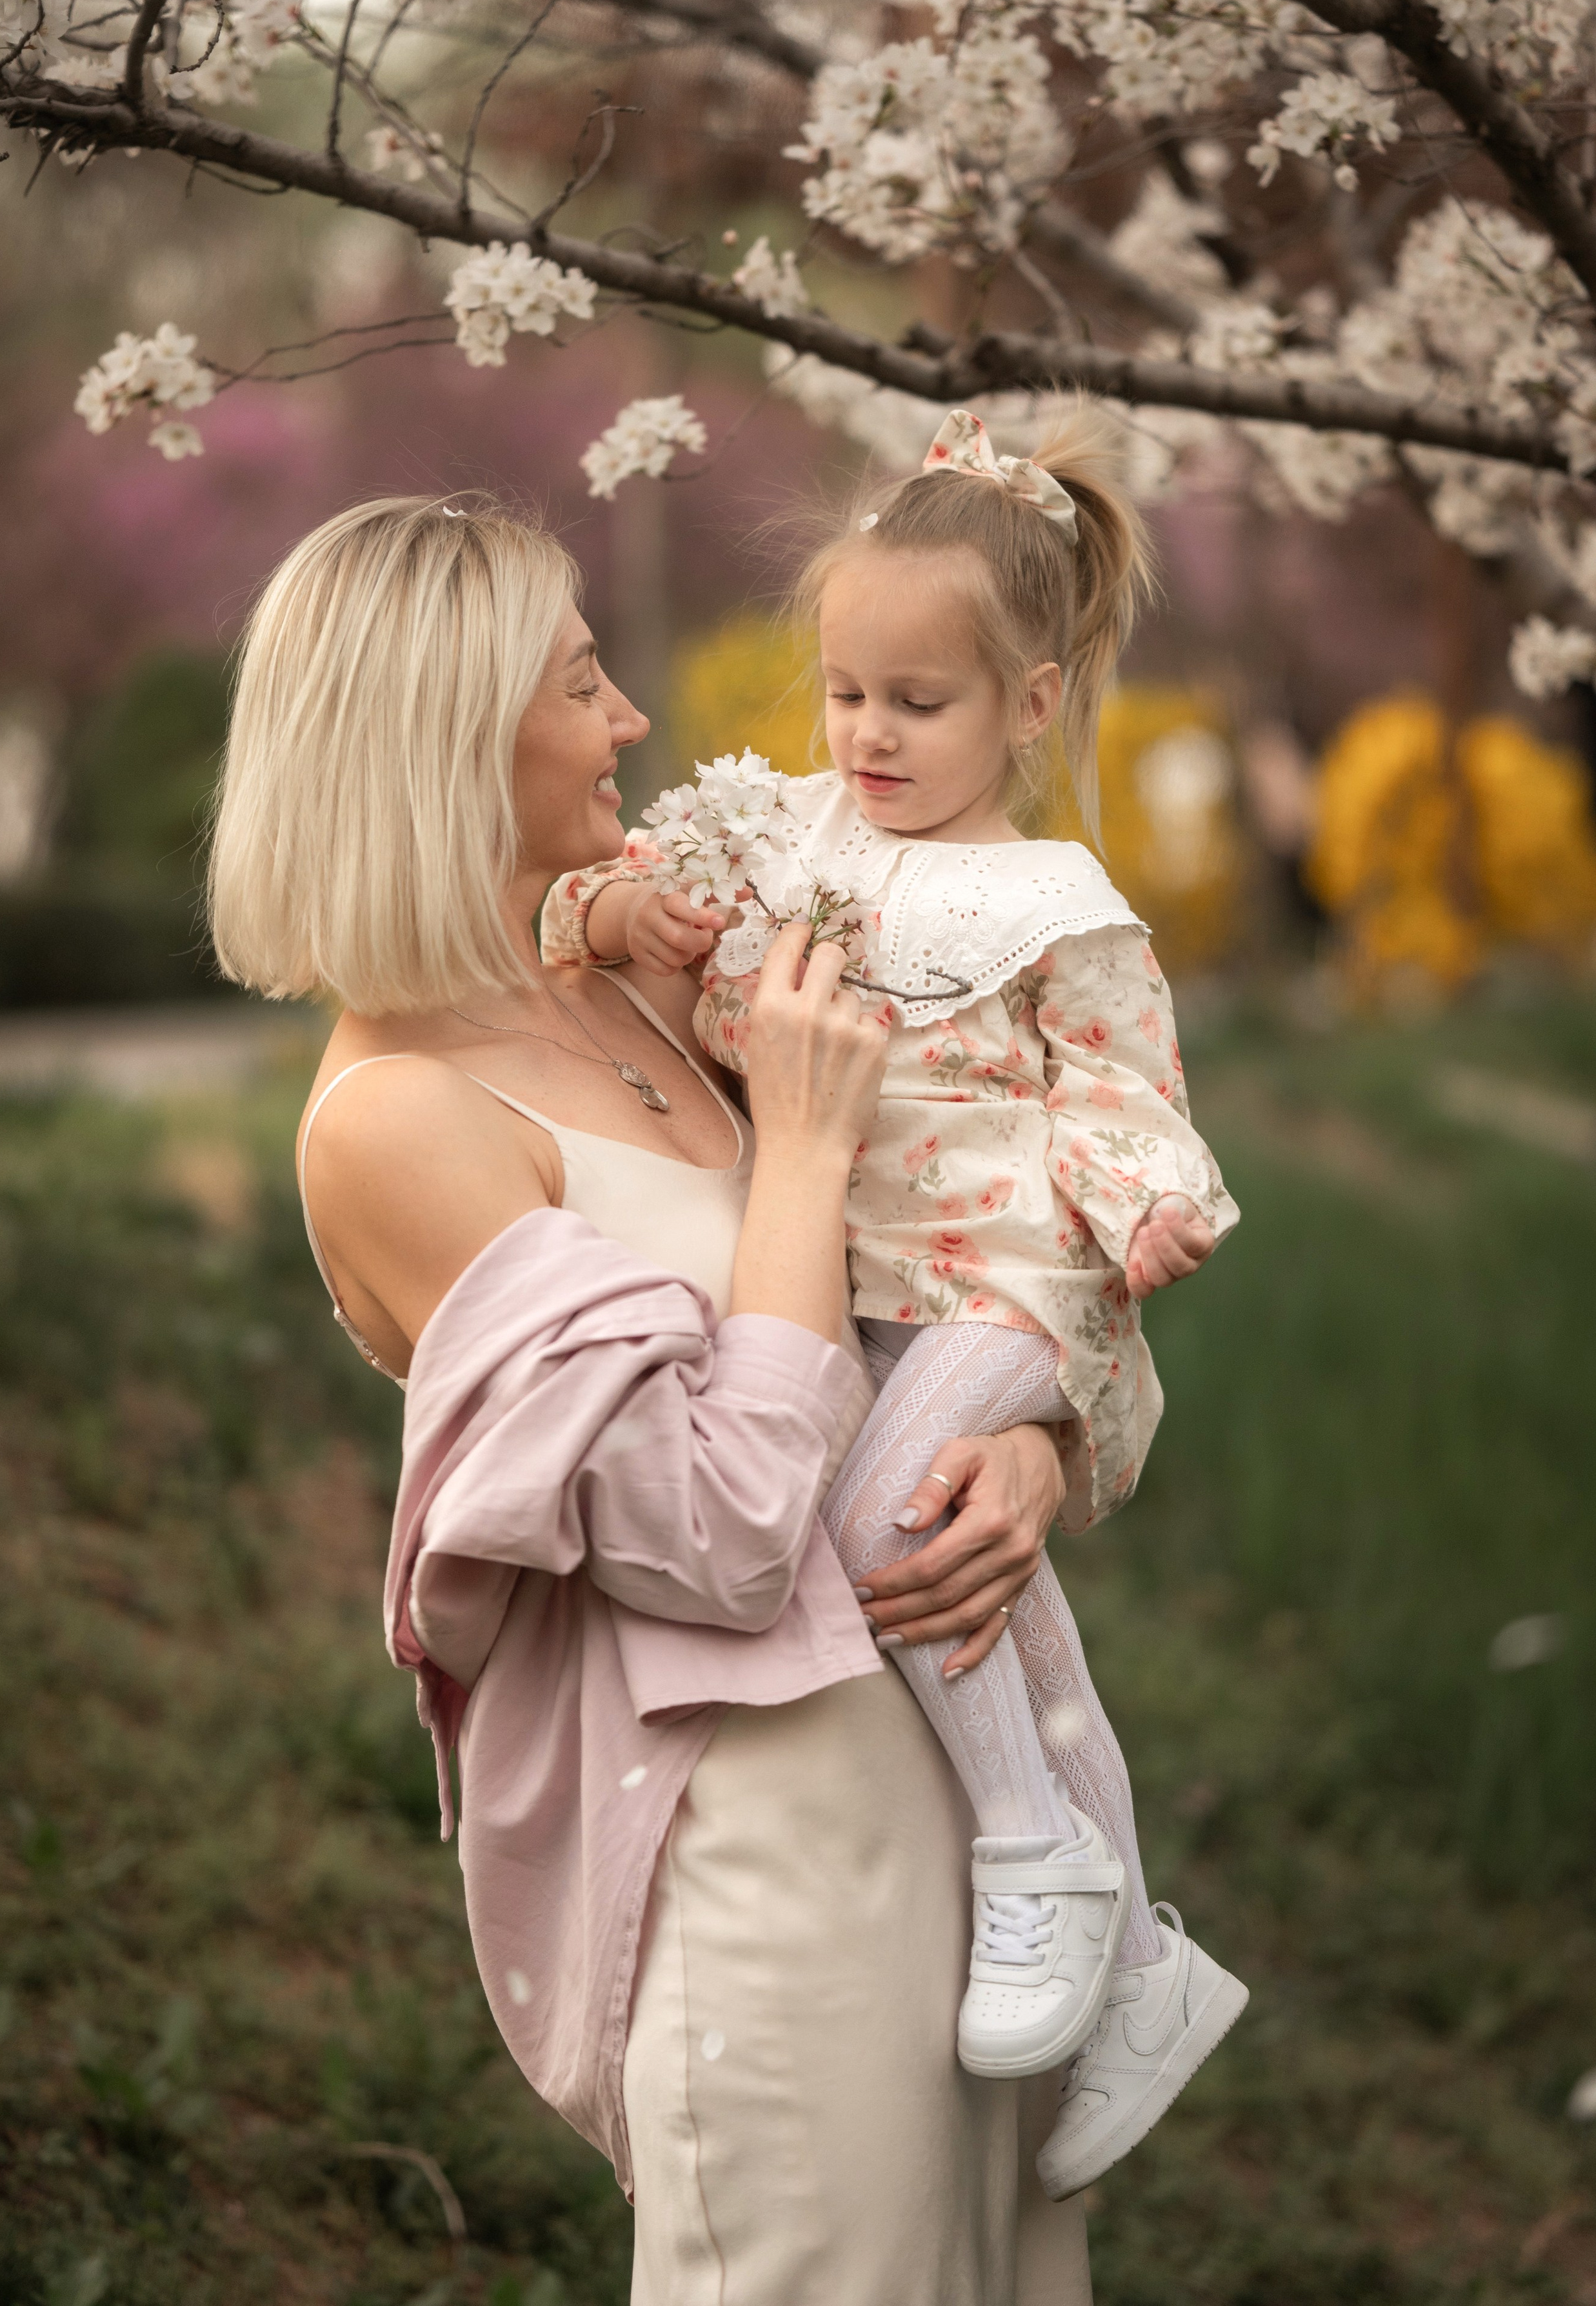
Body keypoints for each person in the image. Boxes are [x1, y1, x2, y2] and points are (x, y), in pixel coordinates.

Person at [206, 494, 1095, 2304]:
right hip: (762, 1848)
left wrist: (1028, 1446)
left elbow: (895, 1299)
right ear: (451, 738)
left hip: (957, 1791)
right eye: (579, 680)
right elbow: (721, 1535)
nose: (628, 718)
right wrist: (806, 1146)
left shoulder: (614, 995)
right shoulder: (399, 1123)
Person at [543, 402, 1248, 2197]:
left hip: (1008, 1285)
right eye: (846, 692)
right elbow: (600, 903)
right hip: (865, 1289)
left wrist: (1154, 1206)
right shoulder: (790, 836)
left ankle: (1033, 1849)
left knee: (877, 1519)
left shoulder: (1053, 900)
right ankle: (1142, 1963)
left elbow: (1117, 1088)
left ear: (1028, 706)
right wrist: (620, 927)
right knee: (989, 1576)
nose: (864, 734)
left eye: (916, 704)